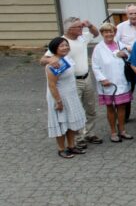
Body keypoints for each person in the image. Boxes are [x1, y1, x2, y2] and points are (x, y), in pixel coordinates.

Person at [40, 17, 102, 148]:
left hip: (86, 78)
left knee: (90, 108)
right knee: (74, 111)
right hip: (72, 82)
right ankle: (78, 138)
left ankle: (89, 133)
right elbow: (42, 60)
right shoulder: (61, 43)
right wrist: (50, 61)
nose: (81, 29)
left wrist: (90, 25)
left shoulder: (82, 37)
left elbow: (96, 33)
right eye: (79, 27)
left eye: (81, 26)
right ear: (69, 29)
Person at [44, 37, 88, 158]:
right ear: (54, 49)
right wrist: (58, 101)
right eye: (61, 46)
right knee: (61, 122)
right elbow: (52, 85)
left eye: (66, 45)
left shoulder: (67, 59)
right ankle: (61, 148)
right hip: (60, 96)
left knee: (71, 121)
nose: (65, 48)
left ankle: (71, 146)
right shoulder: (54, 64)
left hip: (71, 95)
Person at [91, 22, 133, 142]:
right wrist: (102, 79)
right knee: (110, 108)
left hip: (121, 80)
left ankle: (122, 130)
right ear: (102, 33)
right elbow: (95, 66)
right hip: (107, 82)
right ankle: (113, 132)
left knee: (121, 107)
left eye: (111, 31)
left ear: (114, 32)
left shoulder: (120, 44)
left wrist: (124, 54)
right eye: (105, 32)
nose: (109, 34)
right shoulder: (98, 48)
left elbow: (129, 57)